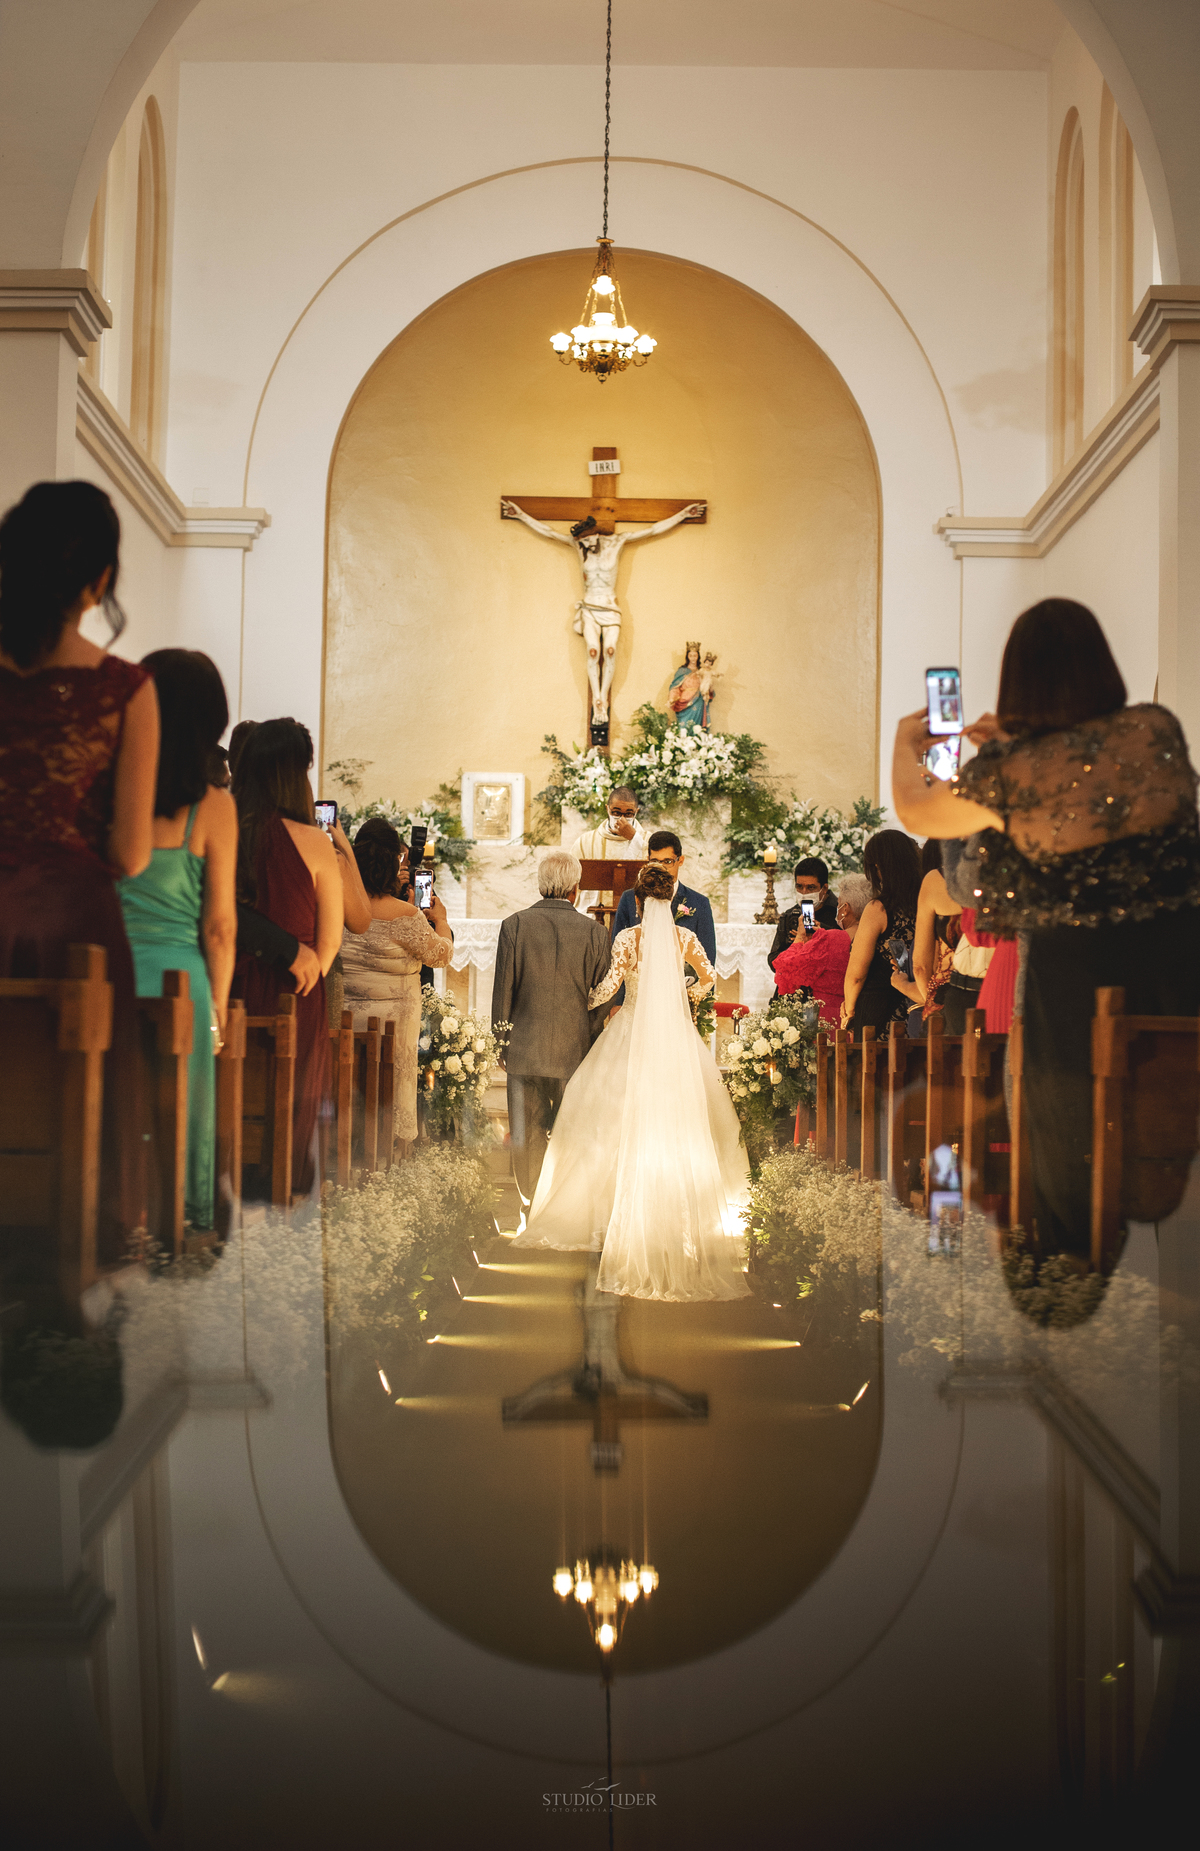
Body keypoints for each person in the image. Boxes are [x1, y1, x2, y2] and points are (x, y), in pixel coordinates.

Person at [892, 597, 1200, 1256]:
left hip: (1069, 998)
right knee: (1173, 1157)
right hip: (1178, 976)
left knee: (1070, 1189)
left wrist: (908, 746)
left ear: (1016, 684)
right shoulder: (1156, 729)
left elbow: (938, 840)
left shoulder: (1011, 773)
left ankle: (1067, 1288)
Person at [0, 481, 159, 1253]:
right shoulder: (124, 689)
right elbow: (131, 852)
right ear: (100, 580)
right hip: (71, 928)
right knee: (71, 1120)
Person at [512, 862, 749, 1302]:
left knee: (606, 1120)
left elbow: (607, 990)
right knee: (676, 1121)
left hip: (632, 1029)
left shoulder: (627, 938)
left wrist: (581, 998)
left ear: (637, 901)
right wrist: (684, 994)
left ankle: (607, 1214)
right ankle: (673, 1216)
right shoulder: (685, 938)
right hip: (675, 1036)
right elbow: (710, 978)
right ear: (673, 902)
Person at [118, 650, 237, 1233]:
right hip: (182, 981)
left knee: (116, 1104)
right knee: (180, 1113)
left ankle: (119, 1218)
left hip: (112, 972)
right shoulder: (214, 806)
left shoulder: (109, 790)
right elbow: (219, 926)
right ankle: (177, 1228)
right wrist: (217, 1004)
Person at [233, 719, 343, 1198]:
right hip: (296, 985)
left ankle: (229, 1179)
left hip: (235, 975)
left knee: (236, 1085)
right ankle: (281, 1182)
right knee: (291, 1092)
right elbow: (330, 940)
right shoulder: (316, 843)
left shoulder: (234, 830)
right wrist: (313, 966)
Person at [491, 849, 611, 1205]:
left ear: (541, 885)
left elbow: (503, 990)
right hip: (574, 1053)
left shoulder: (513, 925)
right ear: (576, 889)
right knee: (570, 1132)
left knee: (526, 1136)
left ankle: (531, 1202)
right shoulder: (595, 932)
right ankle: (564, 1204)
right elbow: (602, 995)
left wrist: (502, 1044)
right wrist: (587, 1036)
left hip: (524, 1051)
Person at [339, 818, 454, 1151]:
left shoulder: (340, 907)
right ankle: (391, 1153)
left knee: (350, 1087)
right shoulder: (406, 915)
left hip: (348, 1019)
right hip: (393, 1026)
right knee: (394, 1088)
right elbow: (440, 955)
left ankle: (347, 1149)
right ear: (392, 862)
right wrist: (441, 921)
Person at [841, 829, 921, 1037]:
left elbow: (856, 974)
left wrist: (848, 1012)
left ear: (878, 868)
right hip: (915, 1004)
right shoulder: (924, 903)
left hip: (878, 1010)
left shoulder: (878, 909)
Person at [773, 872, 869, 1029]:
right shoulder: (875, 939)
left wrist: (800, 937)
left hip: (829, 1019)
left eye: (839, 904)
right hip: (863, 1017)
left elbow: (785, 969)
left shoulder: (830, 940)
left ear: (845, 909)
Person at [611, 830, 717, 965]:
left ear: (680, 861)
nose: (661, 868)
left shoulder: (699, 903)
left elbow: (707, 958)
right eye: (655, 861)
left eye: (668, 861)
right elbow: (617, 952)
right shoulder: (629, 898)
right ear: (647, 861)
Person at [571, 785, 649, 919]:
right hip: (594, 917)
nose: (622, 819)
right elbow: (570, 881)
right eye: (616, 812)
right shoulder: (585, 842)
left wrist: (634, 838)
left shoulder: (649, 841)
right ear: (607, 809)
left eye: (629, 814)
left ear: (637, 811)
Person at [767, 856, 839, 996]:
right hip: (792, 993)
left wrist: (821, 936)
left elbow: (849, 950)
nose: (804, 893)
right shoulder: (790, 915)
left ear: (824, 888)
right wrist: (796, 946)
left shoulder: (840, 913)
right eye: (799, 886)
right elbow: (773, 961)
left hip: (828, 994)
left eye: (811, 887)